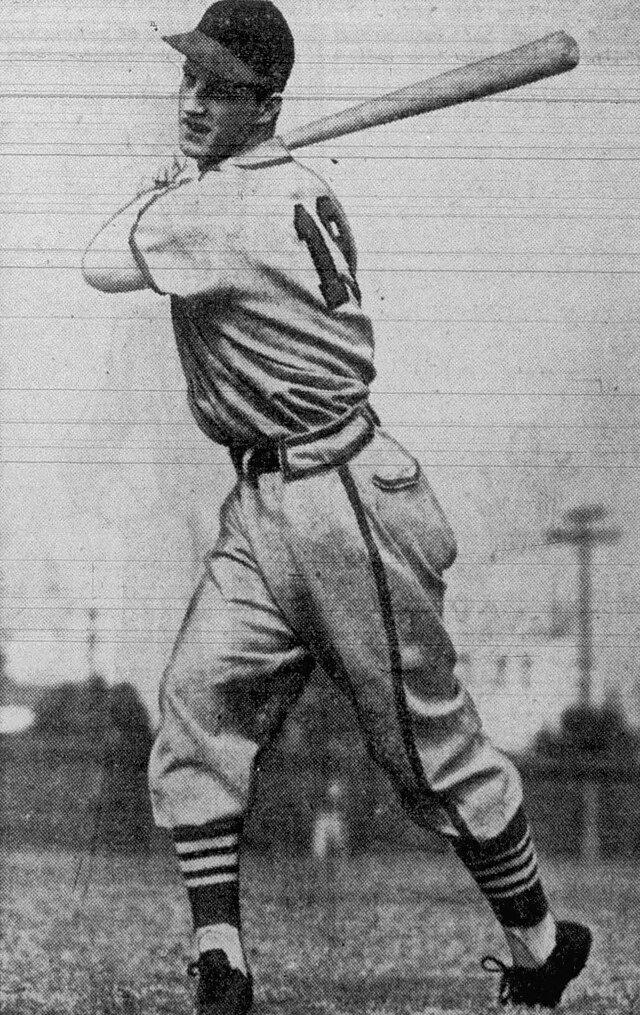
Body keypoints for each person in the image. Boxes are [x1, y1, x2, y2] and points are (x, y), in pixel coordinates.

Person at [81, 2, 592, 1012]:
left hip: (345, 497)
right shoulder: (290, 183)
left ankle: (540, 943)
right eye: (189, 81)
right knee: (199, 702)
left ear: (265, 105)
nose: (193, 100)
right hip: (265, 498)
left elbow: (101, 261)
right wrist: (199, 177)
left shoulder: (219, 211)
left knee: (422, 750)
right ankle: (221, 959)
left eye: (221, 89)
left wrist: (163, 189)